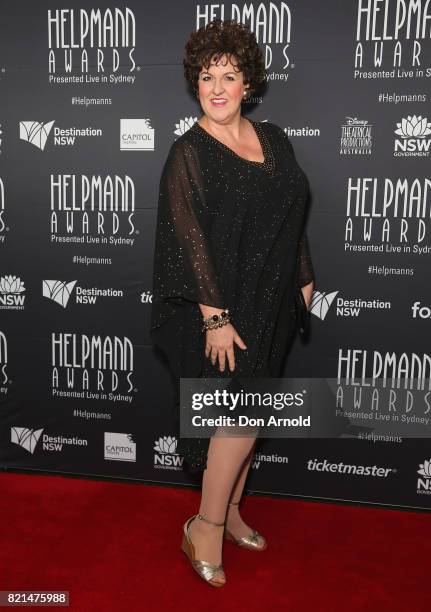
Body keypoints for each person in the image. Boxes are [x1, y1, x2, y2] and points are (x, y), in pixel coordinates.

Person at [150, 19, 315, 587]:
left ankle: (235, 511)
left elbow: (291, 210)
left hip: (271, 300)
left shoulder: (274, 140)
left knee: (252, 414)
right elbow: (189, 239)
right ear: (194, 84)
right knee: (237, 419)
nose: (216, 87)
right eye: (205, 76)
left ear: (249, 82)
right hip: (223, 309)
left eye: (229, 75)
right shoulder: (188, 153)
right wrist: (214, 318)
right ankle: (206, 524)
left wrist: (303, 273)